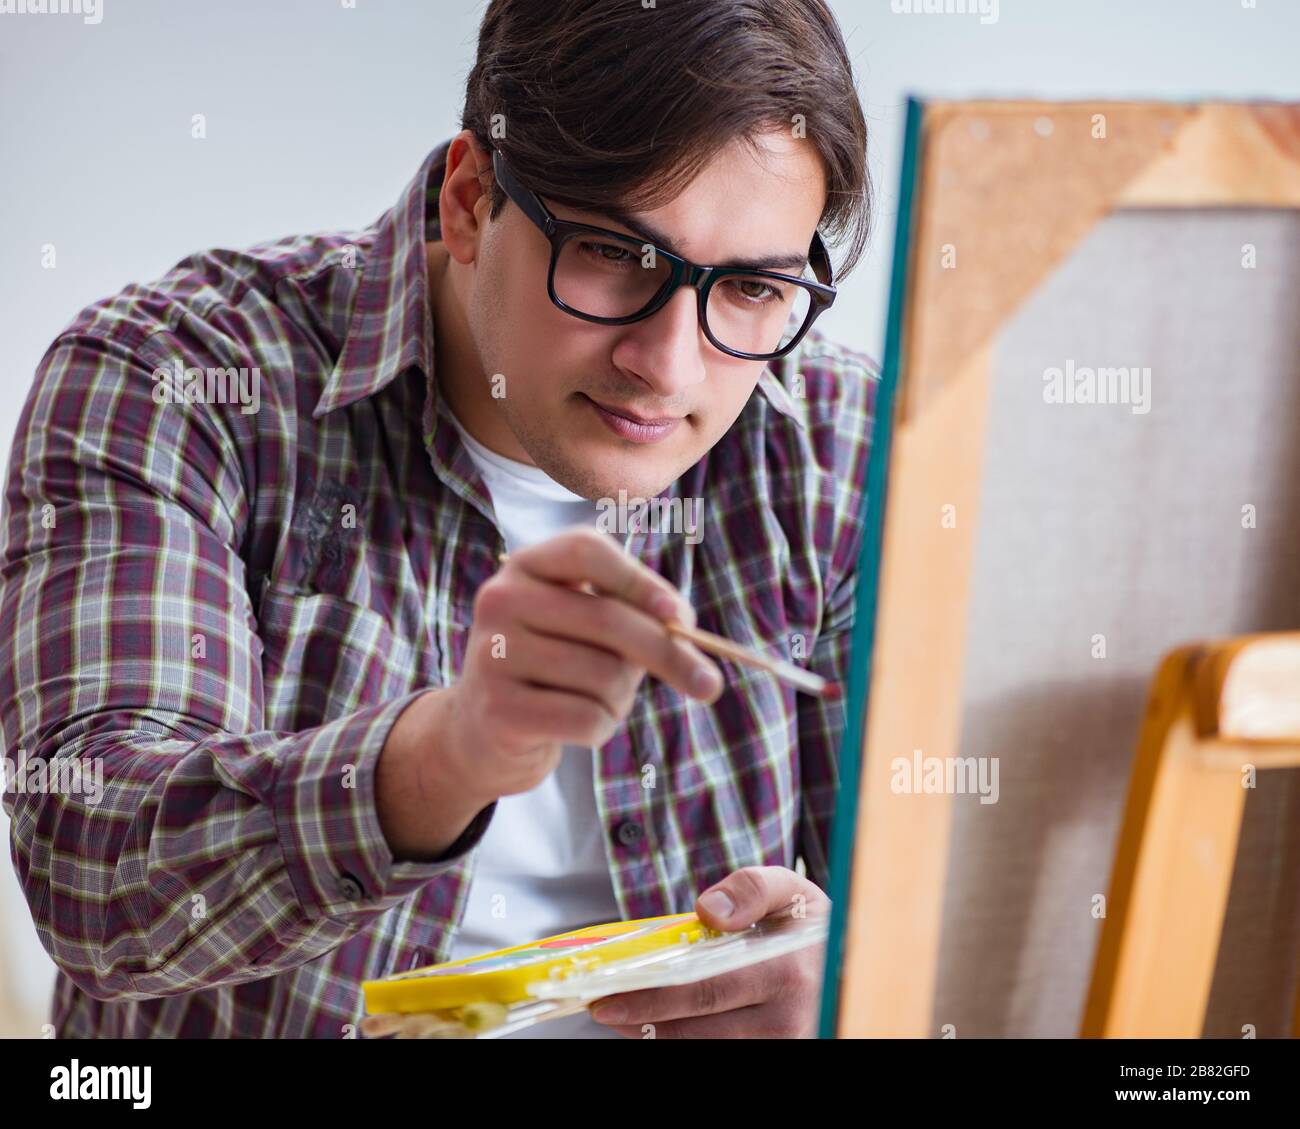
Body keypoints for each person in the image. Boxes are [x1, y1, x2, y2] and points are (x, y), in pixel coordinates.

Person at [0, 0, 875, 1038]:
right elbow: (94, 878)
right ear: (470, 199)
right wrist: (449, 753)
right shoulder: (179, 380)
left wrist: (849, 984)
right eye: (612, 253)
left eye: (748, 290)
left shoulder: (841, 443)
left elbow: (923, 903)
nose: (668, 364)